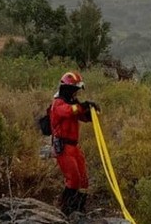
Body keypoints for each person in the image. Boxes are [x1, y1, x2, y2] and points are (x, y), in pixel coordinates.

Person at [49, 71, 100, 215]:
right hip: (63, 147)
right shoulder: (58, 104)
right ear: (67, 89)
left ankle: (79, 209)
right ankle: (66, 211)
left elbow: (81, 116)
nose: (75, 93)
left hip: (74, 146)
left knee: (83, 180)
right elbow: (67, 112)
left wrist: (90, 112)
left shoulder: (72, 102)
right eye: (74, 90)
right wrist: (81, 106)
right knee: (73, 179)